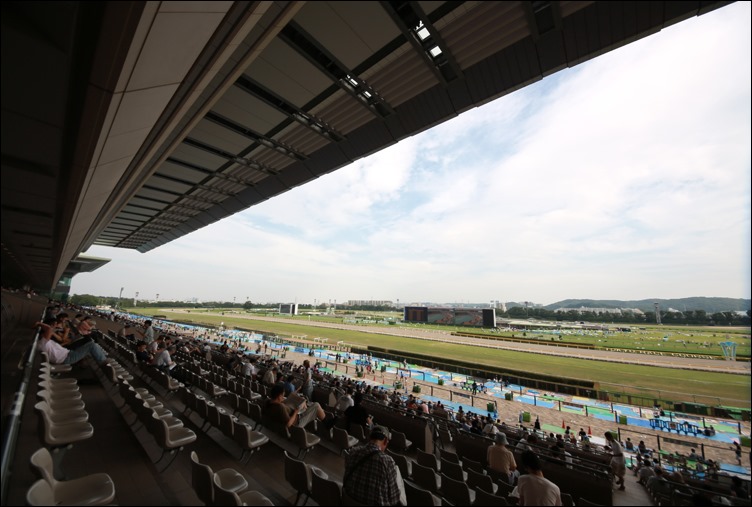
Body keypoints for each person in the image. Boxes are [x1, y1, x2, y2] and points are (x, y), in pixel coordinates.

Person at [343, 425, 403, 506]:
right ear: (385, 441)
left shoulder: (353, 452)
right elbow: (394, 499)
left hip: (349, 502)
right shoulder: (387, 461)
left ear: (369, 438)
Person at [37, 322, 109, 367]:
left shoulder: (45, 342)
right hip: (67, 358)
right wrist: (39, 323)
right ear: (44, 334)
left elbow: (50, 331)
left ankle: (100, 358)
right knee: (91, 344)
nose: (52, 332)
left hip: (68, 354)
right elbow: (49, 329)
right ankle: (103, 362)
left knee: (90, 345)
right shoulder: (43, 343)